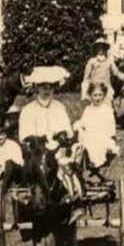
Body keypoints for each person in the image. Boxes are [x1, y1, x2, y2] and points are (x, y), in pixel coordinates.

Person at [18, 68, 83, 220]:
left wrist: (61, 137)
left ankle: (73, 199)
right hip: (37, 150)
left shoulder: (59, 107)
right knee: (36, 166)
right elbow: (23, 135)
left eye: (49, 87)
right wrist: (34, 139)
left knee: (65, 164)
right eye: (42, 87)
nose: (46, 91)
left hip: (57, 148)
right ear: (36, 89)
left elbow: (68, 130)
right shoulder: (28, 110)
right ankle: (35, 199)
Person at [74, 83, 119, 180]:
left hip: (103, 137)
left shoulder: (107, 110)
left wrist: (109, 136)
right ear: (90, 96)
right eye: (95, 95)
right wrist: (78, 126)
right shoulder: (88, 110)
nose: (97, 98)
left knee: (99, 145)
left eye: (100, 95)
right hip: (90, 136)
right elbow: (83, 122)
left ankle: (95, 167)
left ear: (104, 95)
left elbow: (111, 128)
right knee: (79, 145)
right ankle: (81, 171)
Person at [81, 37, 124, 102]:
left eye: (102, 47)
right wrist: (88, 88)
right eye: (99, 47)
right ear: (96, 49)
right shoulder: (91, 61)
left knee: (109, 102)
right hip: (94, 87)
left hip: (106, 87)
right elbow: (86, 78)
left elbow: (117, 73)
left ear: (105, 49)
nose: (100, 49)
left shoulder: (109, 61)